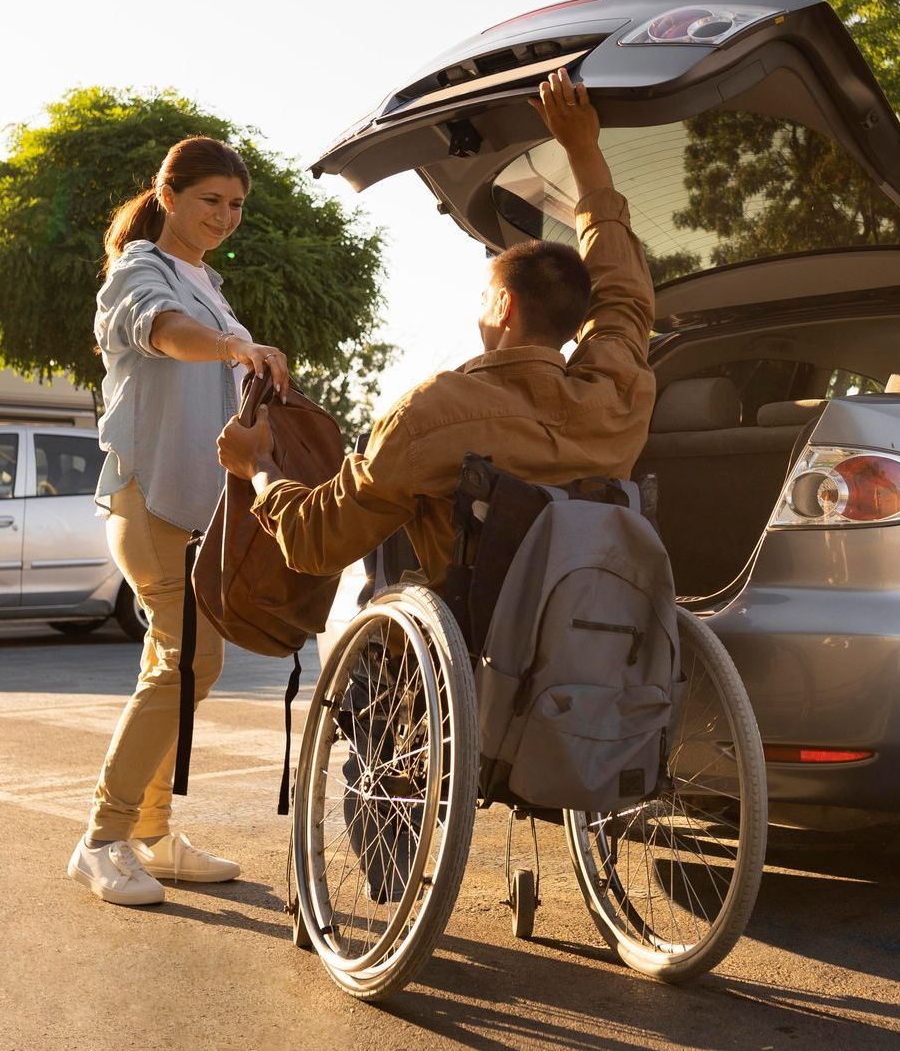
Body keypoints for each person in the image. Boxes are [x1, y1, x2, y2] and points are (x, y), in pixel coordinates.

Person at [217, 68, 655, 593]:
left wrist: (259, 465)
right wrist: (583, 149)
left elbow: (316, 543)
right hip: (598, 618)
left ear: (503, 304)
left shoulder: (431, 414)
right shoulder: (616, 390)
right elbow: (621, 292)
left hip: (477, 643)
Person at [67, 136, 291, 907]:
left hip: (206, 506)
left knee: (186, 665)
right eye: (210, 201)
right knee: (186, 661)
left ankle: (153, 836)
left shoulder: (212, 285)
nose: (225, 217)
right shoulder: (141, 270)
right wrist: (230, 343)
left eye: (235, 205)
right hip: (152, 501)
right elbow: (161, 330)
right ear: (169, 196)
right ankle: (102, 839)